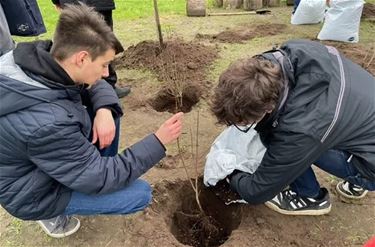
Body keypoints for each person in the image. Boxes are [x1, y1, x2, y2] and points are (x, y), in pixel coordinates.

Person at [0, 4, 183, 238]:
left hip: (44, 158)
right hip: (32, 192)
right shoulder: (47, 123)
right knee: (140, 194)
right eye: (104, 65)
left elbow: (98, 85)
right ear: (82, 58)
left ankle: (86, 170)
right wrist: (158, 141)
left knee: (109, 116)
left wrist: (105, 110)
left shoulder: (47, 58)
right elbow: (103, 177)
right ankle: (51, 214)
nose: (107, 74)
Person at [211, 39, 375, 216]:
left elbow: (256, 192)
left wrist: (232, 175)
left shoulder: (299, 129)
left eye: (244, 123)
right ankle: (356, 169)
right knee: (323, 132)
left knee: (276, 140)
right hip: (361, 117)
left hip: (369, 162)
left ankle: (310, 197)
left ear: (268, 108)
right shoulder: (294, 52)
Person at [51, 0, 131, 98]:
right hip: (80, 5)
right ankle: (95, 89)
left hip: (94, 4)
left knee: (104, 46)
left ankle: (106, 89)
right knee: (97, 48)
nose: (105, 73)